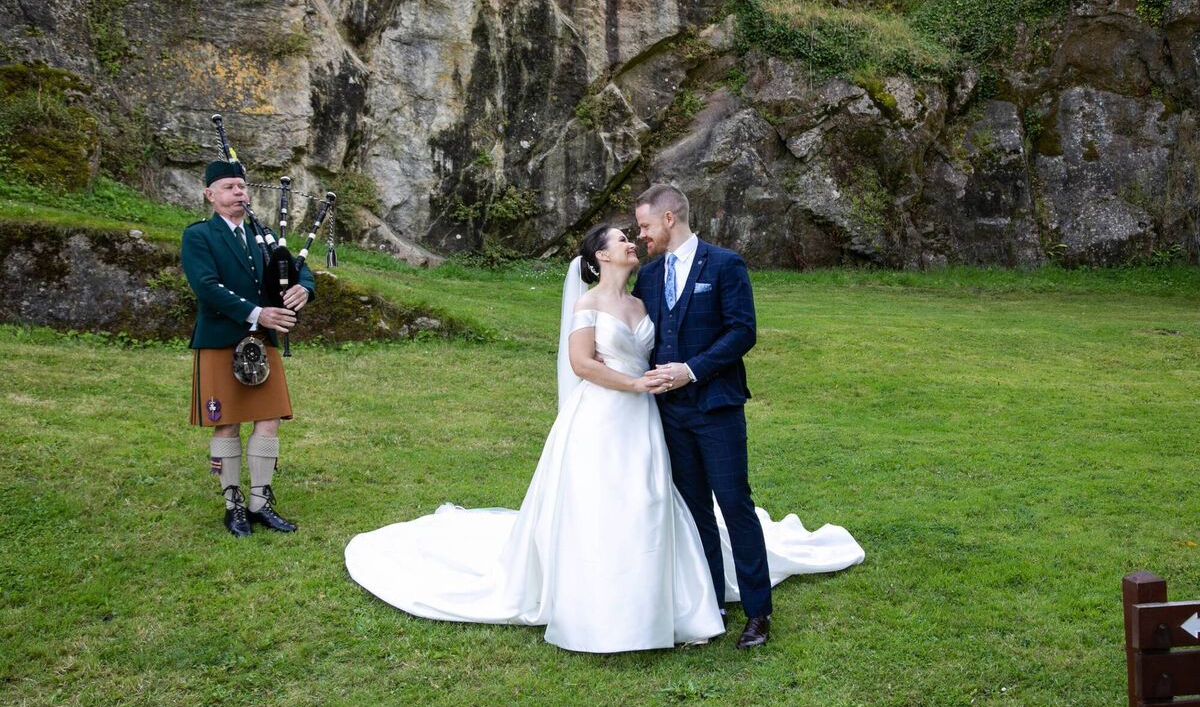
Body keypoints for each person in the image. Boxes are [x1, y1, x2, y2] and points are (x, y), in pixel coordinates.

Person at [343, 224, 865, 653]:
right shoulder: (587, 303)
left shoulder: (645, 298)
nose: (631, 242)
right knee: (603, 504)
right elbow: (581, 364)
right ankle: (602, 601)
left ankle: (675, 596)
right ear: (599, 256)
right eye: (621, 239)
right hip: (604, 416)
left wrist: (666, 378)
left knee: (655, 500)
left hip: (651, 418)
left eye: (632, 234)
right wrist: (636, 383)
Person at [632, 183, 773, 648]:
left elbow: (742, 332)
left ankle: (758, 613)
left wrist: (691, 371)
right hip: (668, 416)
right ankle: (708, 601)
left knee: (735, 505)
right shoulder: (649, 278)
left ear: (670, 218)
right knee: (694, 513)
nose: (641, 236)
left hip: (716, 407)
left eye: (646, 226)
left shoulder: (726, 264)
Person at [181, 159, 316, 537]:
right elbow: (206, 286)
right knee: (226, 424)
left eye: (242, 186)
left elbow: (295, 267)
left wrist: (305, 287)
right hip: (222, 338)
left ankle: (259, 502)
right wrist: (259, 314)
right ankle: (233, 506)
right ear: (210, 194)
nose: (239, 193)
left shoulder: (264, 234)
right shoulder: (199, 236)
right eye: (228, 187)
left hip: (261, 342)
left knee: (269, 420)